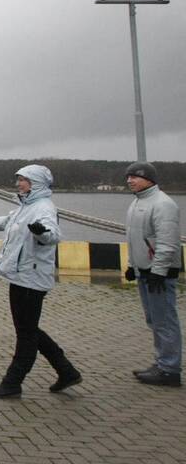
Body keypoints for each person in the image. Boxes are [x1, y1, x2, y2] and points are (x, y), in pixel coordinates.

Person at [0, 165, 81, 397]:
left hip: (31, 279)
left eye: (23, 180)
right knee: (29, 329)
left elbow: (53, 235)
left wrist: (41, 232)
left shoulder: (43, 208)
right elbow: (6, 221)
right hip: (21, 276)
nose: (18, 184)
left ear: (36, 183)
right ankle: (66, 372)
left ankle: (13, 382)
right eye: (18, 179)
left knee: (26, 334)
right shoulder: (25, 207)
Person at [123, 161, 182, 387]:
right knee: (154, 320)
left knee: (165, 320)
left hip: (159, 274)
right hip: (144, 271)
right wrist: (132, 265)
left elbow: (167, 243)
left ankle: (170, 369)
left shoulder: (162, 204)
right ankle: (162, 362)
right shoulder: (137, 203)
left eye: (135, 176)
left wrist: (159, 271)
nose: (130, 180)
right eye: (128, 177)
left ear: (150, 179)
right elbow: (135, 239)